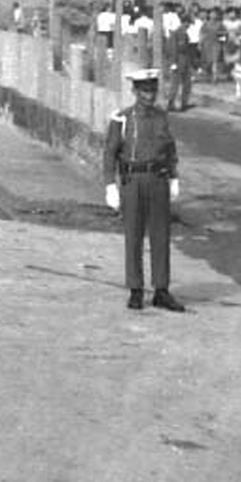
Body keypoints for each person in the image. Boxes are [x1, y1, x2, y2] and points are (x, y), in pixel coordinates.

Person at [102, 67, 184, 312]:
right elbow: (110, 153)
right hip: (133, 180)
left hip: (157, 179)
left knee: (161, 236)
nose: (149, 95)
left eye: (152, 90)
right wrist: (110, 185)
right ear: (135, 91)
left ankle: (161, 289)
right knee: (134, 236)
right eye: (144, 91)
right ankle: (136, 289)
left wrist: (173, 177)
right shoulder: (123, 119)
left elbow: (170, 150)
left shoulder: (161, 117)